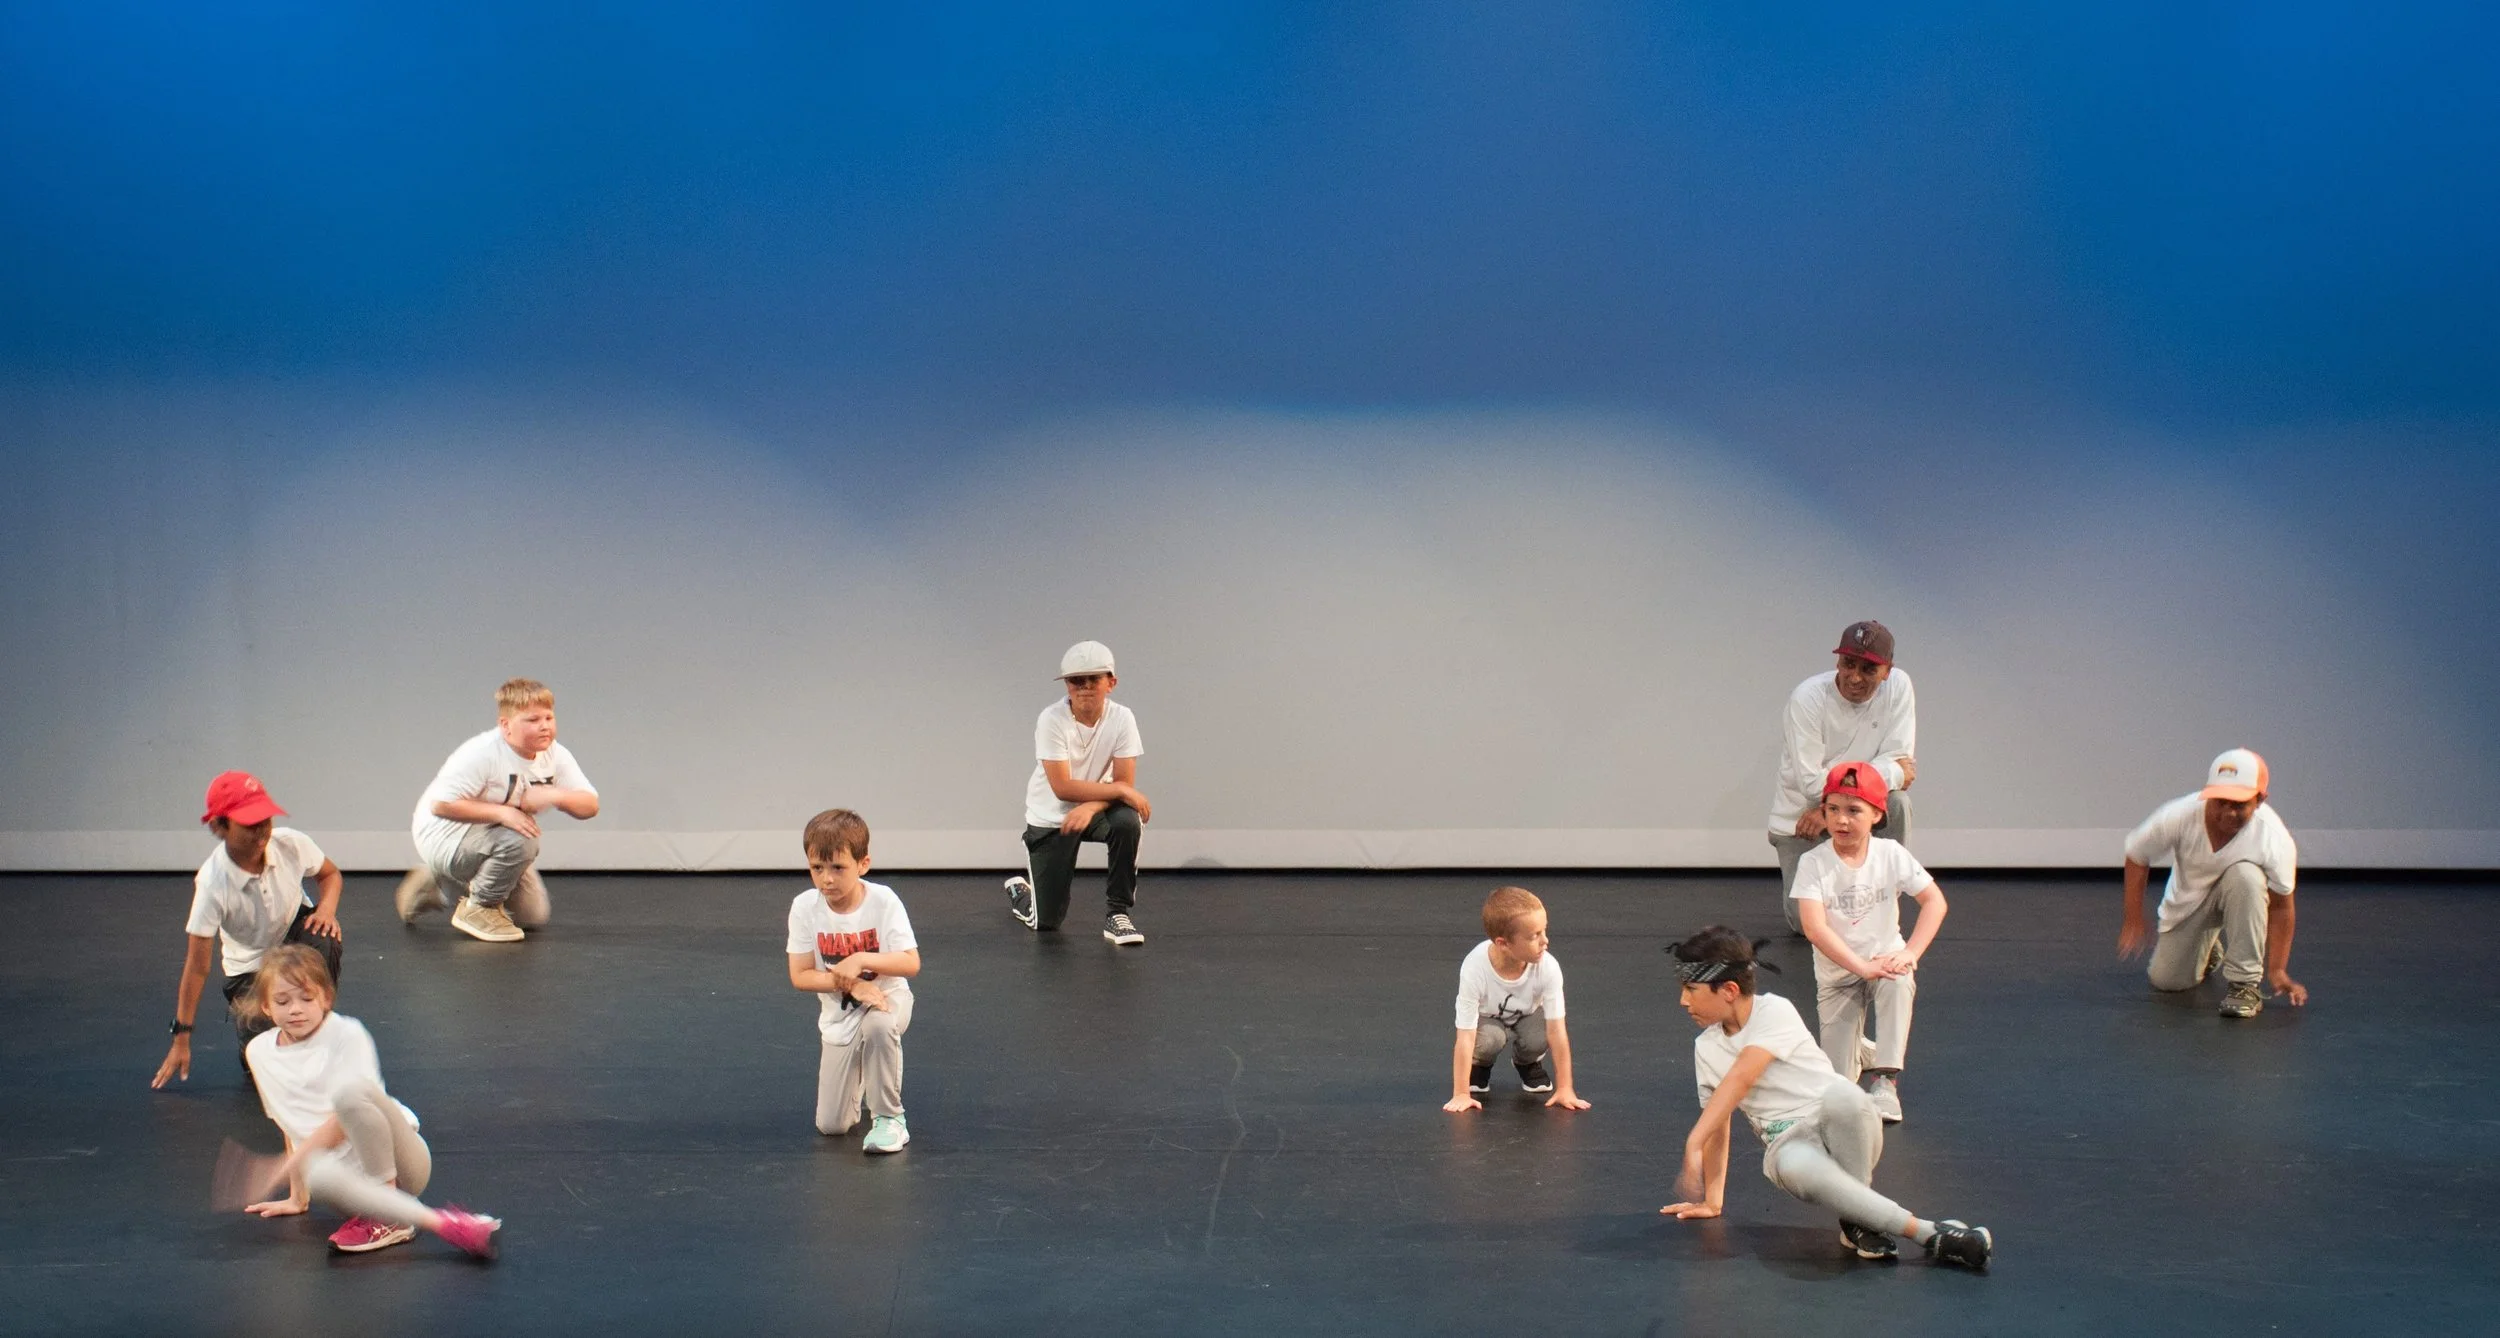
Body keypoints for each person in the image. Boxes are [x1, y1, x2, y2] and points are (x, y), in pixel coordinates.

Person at [1661, 926, 1992, 1268]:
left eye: (1691, 989)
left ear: (1729, 990)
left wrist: (1692, 1143)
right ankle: (1926, 1232)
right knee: (1795, 1165)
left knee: (1846, 1096)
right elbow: (1720, 1120)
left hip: (1839, 1123)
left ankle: (1861, 1219)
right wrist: (1713, 1200)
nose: (1683, 1001)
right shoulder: (1706, 1048)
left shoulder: (1774, 1011)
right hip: (1786, 1146)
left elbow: (1742, 1076)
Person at [229, 944, 501, 1257]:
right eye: (282, 1001)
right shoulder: (260, 1052)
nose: (295, 1009)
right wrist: (297, 1196)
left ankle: (387, 1213)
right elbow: (288, 1120)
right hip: (350, 1187)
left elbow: (344, 1121)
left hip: (400, 1164)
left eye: (306, 999)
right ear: (266, 1006)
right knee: (316, 1172)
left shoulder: (347, 1034)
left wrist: (280, 1166)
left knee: (350, 1093)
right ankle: (414, 1219)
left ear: (326, 999)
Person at [152, 772, 345, 1087]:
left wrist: (326, 910)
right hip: (250, 966)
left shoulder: (290, 843)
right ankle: (263, 1034)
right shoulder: (213, 883)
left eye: (265, 821)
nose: (261, 832)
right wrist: (181, 1038)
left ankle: (316, 1030)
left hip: (293, 937)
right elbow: (198, 967)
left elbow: (330, 874)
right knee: (262, 1062)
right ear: (220, 826)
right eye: (249, 825)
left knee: (324, 937)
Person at [1790, 761, 1947, 1123]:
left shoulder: (1890, 854)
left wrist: (1909, 953)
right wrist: (1861, 967)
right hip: (1839, 974)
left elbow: (1934, 901)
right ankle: (1857, 1049)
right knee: (1837, 1088)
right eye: (1832, 810)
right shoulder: (1814, 863)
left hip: (1885, 959)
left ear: (1877, 814)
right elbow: (1814, 928)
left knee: (1899, 980)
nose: (1841, 821)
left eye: (1853, 811)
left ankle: (1886, 1082)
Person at [394, 677, 600, 943]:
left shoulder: (555, 754)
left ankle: (434, 885)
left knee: (532, 917)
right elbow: (441, 805)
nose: (544, 727)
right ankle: (478, 909)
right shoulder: (483, 753)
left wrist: (554, 794)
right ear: (506, 726)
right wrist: (502, 812)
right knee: (523, 836)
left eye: (548, 718)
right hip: (443, 836)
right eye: (533, 720)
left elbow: (590, 806)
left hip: (491, 838)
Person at [2117, 748, 2305, 1018]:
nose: (2229, 813)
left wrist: (2277, 969)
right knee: (2166, 982)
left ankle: (2244, 984)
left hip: (2240, 895)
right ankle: (2208, 948)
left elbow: (2281, 907)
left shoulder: (2273, 837)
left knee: (2246, 875)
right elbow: (2137, 855)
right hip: (2189, 904)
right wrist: (2133, 917)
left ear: (2260, 800)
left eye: (2239, 805)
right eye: (2221, 801)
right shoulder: (2179, 815)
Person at [787, 809, 921, 1154]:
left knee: (878, 1026)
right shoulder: (805, 908)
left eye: (837, 868)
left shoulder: (883, 900)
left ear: (863, 864)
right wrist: (852, 985)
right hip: (841, 1017)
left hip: (887, 998)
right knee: (832, 1127)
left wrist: (861, 960)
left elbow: (910, 962)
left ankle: (890, 1119)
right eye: (817, 868)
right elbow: (800, 976)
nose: (826, 879)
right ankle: (862, 1075)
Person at [1769, 620, 1916, 932]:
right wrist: (1830, 809)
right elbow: (1811, 784)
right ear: (1838, 661)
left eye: (1869, 668)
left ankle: (1884, 899)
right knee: (1803, 924)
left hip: (1843, 811)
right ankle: (1854, 903)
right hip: (1804, 817)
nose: (1855, 677)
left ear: (1887, 670)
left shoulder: (1899, 687)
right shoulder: (1807, 698)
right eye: (1848, 664)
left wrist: (1834, 808)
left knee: (1898, 802)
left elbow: (1899, 759)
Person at [1004, 641, 1151, 945]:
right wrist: (1118, 791)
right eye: (1076, 680)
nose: (1084, 687)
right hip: (1050, 817)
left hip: (1094, 811)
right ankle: (1021, 892)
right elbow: (1062, 787)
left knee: (1127, 820)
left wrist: (1090, 807)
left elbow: (1124, 783)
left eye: (1093, 679)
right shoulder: (1051, 719)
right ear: (1067, 685)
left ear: (1111, 683)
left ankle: (1117, 914)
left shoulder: (1122, 718)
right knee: (1045, 922)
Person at [1443, 887, 1591, 1113]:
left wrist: (1565, 1088)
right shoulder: (1474, 968)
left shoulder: (1548, 967)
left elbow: (1557, 1031)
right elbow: (1465, 1035)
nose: (1545, 941)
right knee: (1490, 1039)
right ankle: (1480, 1066)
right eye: (1534, 936)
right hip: (1488, 1020)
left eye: (1544, 931)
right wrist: (1461, 1093)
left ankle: (1527, 1063)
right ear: (1503, 943)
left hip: (1528, 1016)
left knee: (1538, 1037)